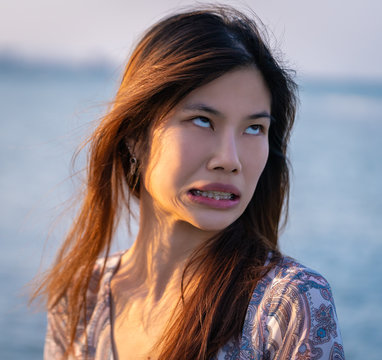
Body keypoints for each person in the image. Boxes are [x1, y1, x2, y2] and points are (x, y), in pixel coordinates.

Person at [35, 5, 345, 360]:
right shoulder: (81, 297)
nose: (229, 159)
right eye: (202, 120)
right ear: (136, 135)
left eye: (253, 128)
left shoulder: (287, 304)